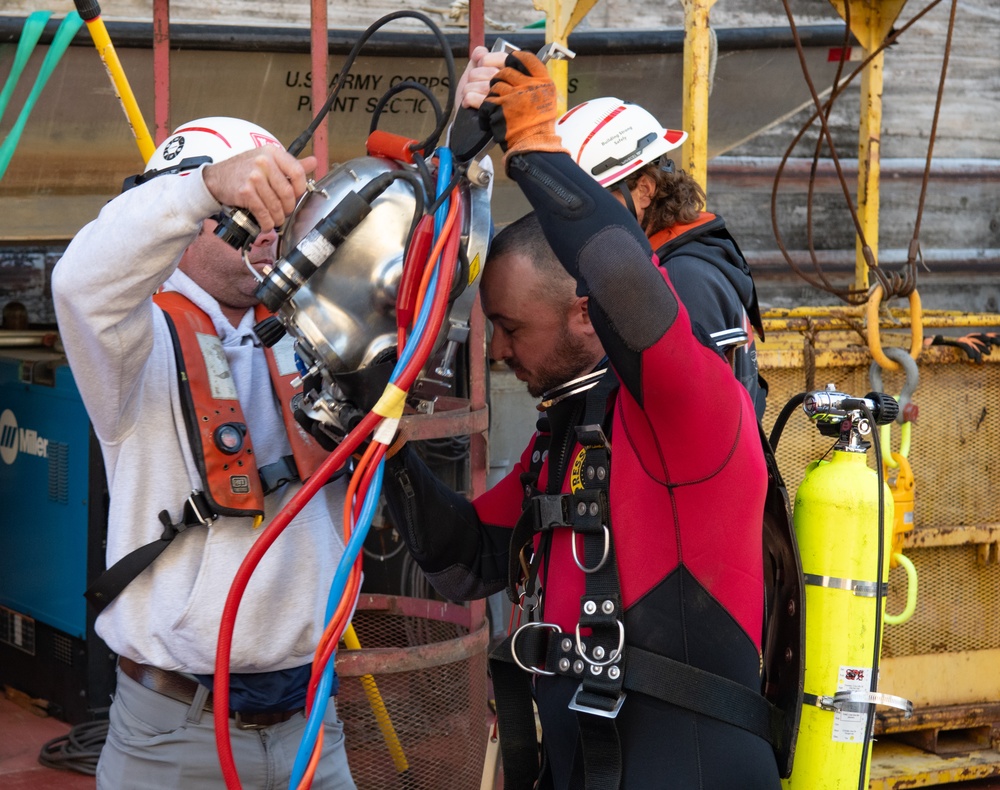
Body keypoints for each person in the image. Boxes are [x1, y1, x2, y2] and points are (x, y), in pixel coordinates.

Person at [380, 49, 785, 789]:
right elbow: (467, 559)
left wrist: (532, 145)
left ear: (585, 314)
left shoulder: (685, 404)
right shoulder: (566, 433)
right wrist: (379, 449)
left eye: (509, 328)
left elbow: (627, 283)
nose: (497, 354)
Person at [52, 117, 356, 789]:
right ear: (188, 223)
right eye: (245, 212)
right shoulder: (136, 346)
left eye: (278, 209)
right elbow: (80, 284)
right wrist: (204, 187)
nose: (269, 227)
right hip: (174, 735)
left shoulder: (321, 333)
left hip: (314, 727)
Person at [555, 96, 768, 419]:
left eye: (592, 200)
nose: (582, 220)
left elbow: (694, 421)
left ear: (644, 190)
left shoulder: (685, 279)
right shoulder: (678, 263)